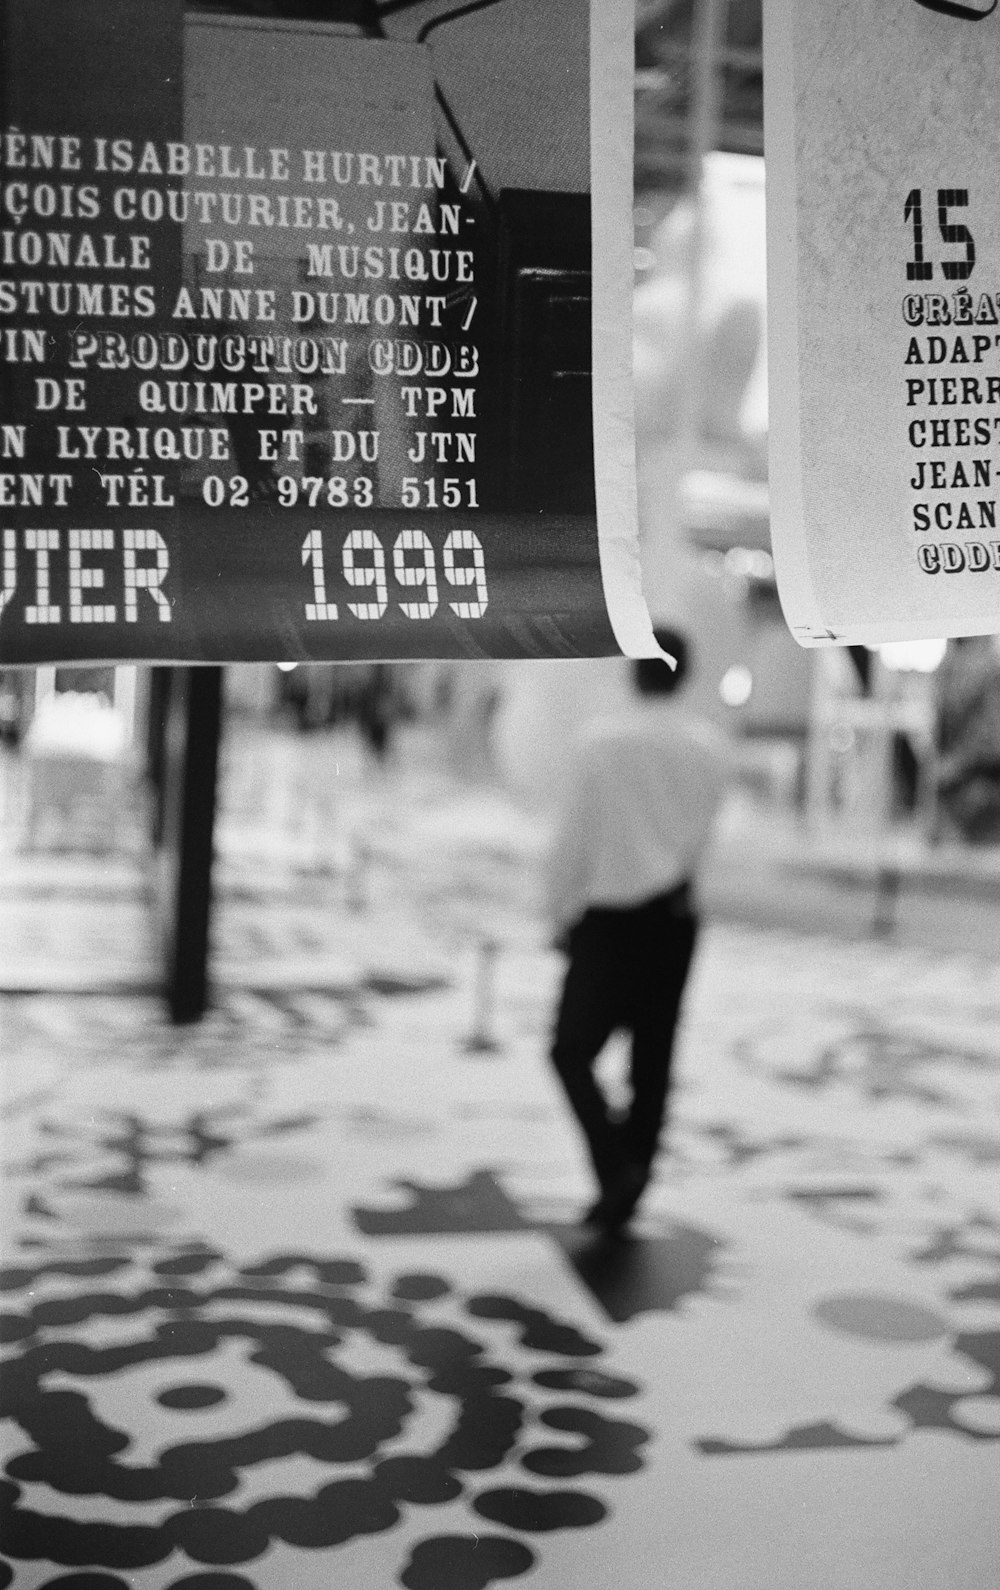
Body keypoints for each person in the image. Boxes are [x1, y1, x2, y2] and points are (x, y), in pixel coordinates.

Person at [544, 628, 734, 1231]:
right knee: (653, 1058)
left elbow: (572, 840)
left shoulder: (600, 746)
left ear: (634, 671)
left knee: (571, 1050)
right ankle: (632, 1174)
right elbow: (703, 841)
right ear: (686, 675)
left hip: (607, 920)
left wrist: (559, 913)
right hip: (674, 919)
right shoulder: (709, 749)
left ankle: (614, 1168)